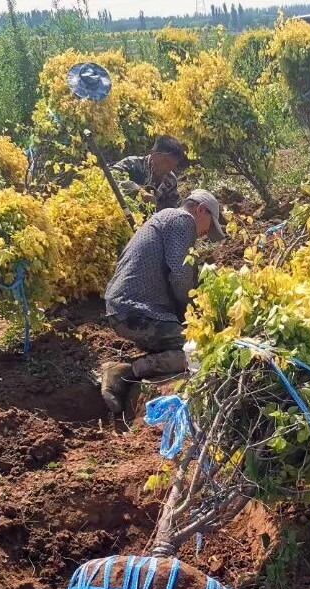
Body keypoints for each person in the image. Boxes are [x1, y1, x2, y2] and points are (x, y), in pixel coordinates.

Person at [100, 189, 226, 417]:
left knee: (187, 344)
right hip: (137, 311)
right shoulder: (182, 221)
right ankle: (126, 372)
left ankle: (131, 366)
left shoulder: (165, 218)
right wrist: (188, 314)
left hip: (125, 309)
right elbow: (180, 276)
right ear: (200, 210)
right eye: (207, 227)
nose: (204, 235)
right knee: (201, 350)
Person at [111, 135, 189, 212]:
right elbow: (109, 178)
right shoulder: (131, 164)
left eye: (172, 165)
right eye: (165, 161)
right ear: (152, 153)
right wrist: (139, 191)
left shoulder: (171, 180)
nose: (167, 168)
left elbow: (172, 208)